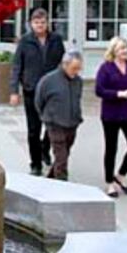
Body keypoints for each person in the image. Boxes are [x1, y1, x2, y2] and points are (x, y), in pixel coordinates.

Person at [10, 9, 66, 176]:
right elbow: (17, 67)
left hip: (52, 91)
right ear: (31, 24)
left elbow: (63, 63)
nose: (40, 26)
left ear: (47, 23)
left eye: (42, 22)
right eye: (36, 23)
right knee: (34, 130)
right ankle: (35, 164)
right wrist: (14, 91)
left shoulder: (56, 40)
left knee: (52, 125)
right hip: (31, 90)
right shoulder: (25, 42)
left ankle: (45, 148)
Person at [95, 37, 127, 198]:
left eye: (125, 48)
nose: (124, 51)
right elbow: (99, 90)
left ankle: (121, 175)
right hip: (111, 114)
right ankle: (109, 182)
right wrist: (118, 94)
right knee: (111, 148)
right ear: (113, 52)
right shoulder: (106, 68)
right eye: (121, 49)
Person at [34, 50, 84, 181]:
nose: (77, 71)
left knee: (64, 154)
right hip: (55, 122)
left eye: (79, 68)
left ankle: (51, 179)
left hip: (72, 123)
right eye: (74, 68)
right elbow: (39, 101)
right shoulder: (48, 80)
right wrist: (46, 117)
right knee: (61, 158)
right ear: (65, 65)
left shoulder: (78, 81)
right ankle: (62, 184)